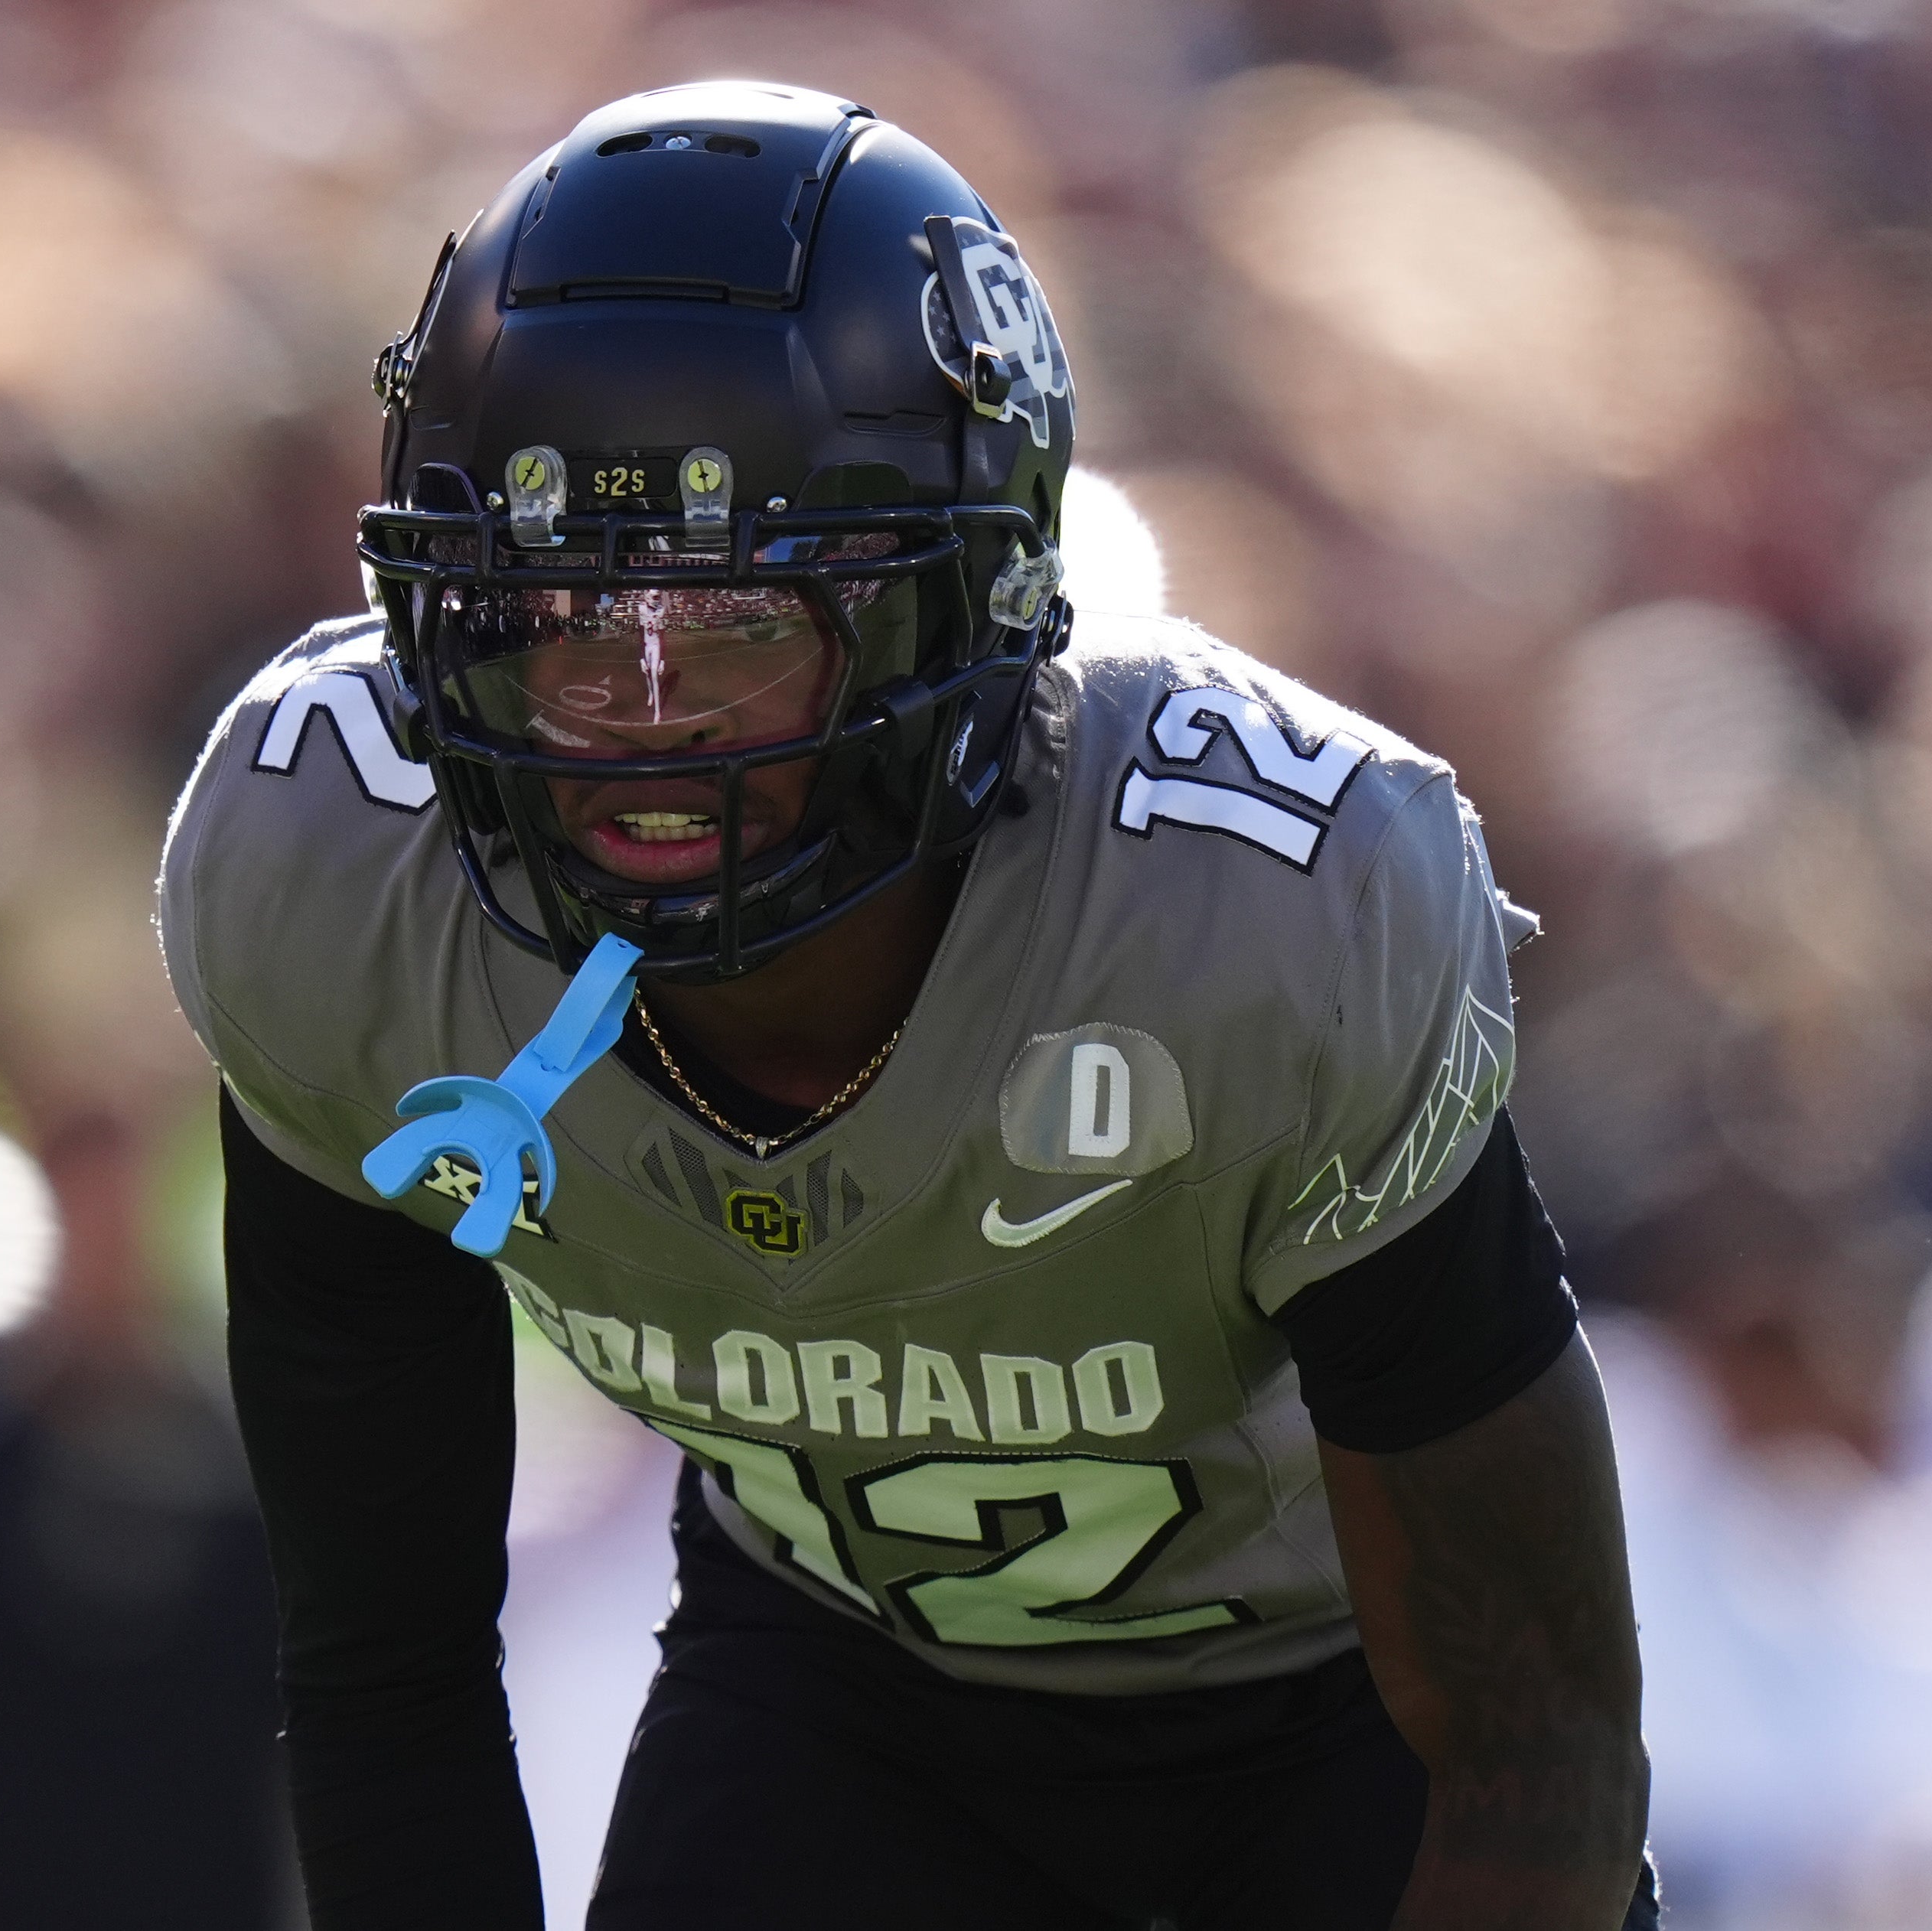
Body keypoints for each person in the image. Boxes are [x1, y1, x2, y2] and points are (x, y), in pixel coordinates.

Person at [161, 81, 1657, 1931]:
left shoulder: (1250, 914)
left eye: (732, 620)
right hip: (845, 1700)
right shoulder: (332, 874)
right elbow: (382, 1670)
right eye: (558, 612)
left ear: (960, 610)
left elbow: (1538, 1744)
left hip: (1345, 1735)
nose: (642, 708)